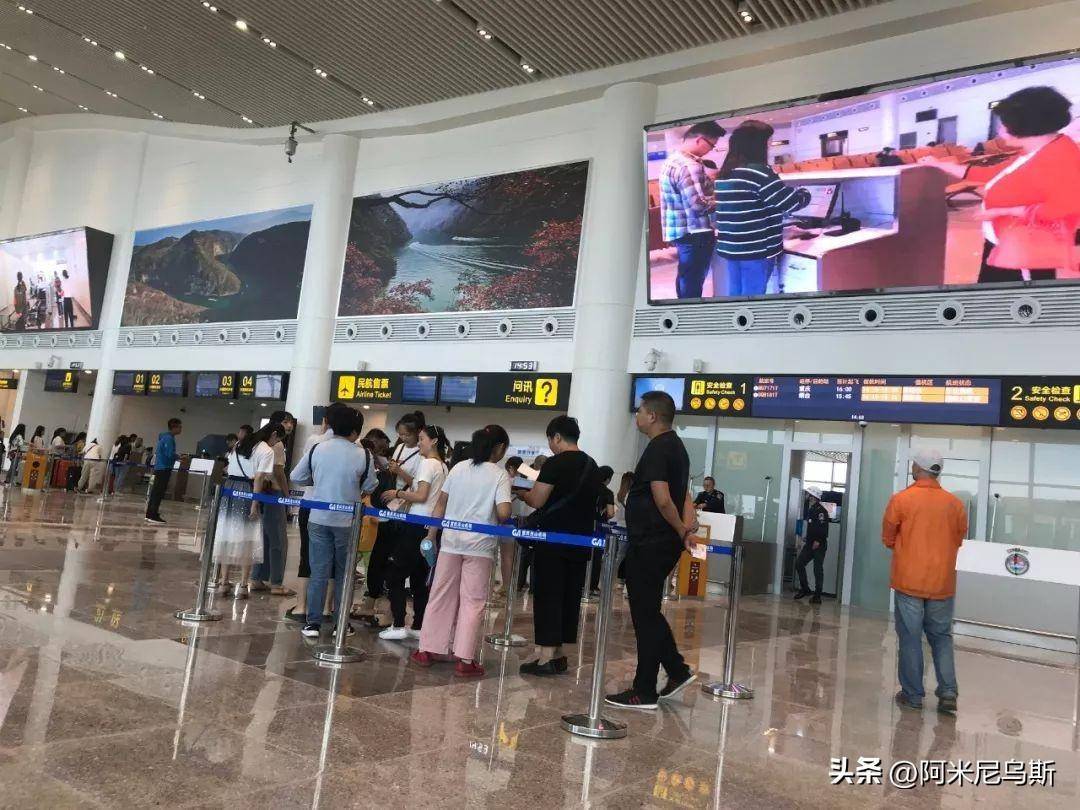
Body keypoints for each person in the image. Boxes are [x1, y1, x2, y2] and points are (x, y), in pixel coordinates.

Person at [606, 391, 698, 710]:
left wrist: (681, 529)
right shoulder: (676, 447)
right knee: (648, 612)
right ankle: (675, 671)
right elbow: (683, 494)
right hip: (658, 541)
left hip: (651, 542)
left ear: (653, 416)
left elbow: (663, 497)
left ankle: (645, 689)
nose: (637, 416)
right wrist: (683, 528)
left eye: (640, 411)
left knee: (645, 615)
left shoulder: (659, 447)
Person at [412, 425, 512, 678]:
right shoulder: (499, 475)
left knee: (440, 594)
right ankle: (465, 659)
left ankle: (427, 649)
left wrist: (431, 535)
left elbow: (441, 504)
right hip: (480, 547)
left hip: (450, 542)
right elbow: (503, 513)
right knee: (473, 601)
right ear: (499, 448)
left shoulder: (458, 468)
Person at [883, 449, 967, 714]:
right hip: (942, 582)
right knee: (941, 637)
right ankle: (948, 692)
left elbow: (888, 538)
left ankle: (913, 695)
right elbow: (958, 539)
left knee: (910, 638)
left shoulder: (901, 500)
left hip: (909, 581)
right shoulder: (955, 504)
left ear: (918, 468)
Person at [518, 416, 602, 676]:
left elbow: (537, 500)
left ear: (556, 437)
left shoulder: (555, 463)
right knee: (569, 596)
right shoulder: (592, 465)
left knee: (548, 595)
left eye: (550, 440)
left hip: (552, 541)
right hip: (580, 542)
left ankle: (546, 656)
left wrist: (522, 492)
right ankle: (559, 652)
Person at [290, 404, 377, 638]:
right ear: (355, 431)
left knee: (318, 572)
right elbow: (370, 485)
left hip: (318, 518)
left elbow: (296, 476)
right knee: (344, 574)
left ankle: (313, 623)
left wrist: (318, 481)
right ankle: (341, 623)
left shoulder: (318, 448)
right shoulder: (363, 454)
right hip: (348, 522)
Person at [714, 120, 812, 297]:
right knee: (753, 296)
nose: (770, 145)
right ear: (757, 144)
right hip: (755, 248)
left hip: (732, 246)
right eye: (768, 141)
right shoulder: (759, 172)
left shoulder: (725, 173)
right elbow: (789, 202)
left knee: (736, 292)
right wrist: (805, 193)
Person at [380, 424, 450, 641]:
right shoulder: (443, 466)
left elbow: (421, 495)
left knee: (394, 575)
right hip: (431, 527)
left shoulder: (428, 463)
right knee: (419, 579)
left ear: (434, 441)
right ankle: (419, 625)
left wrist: (397, 493)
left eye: (421, 439)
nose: (418, 443)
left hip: (416, 525)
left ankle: (399, 623)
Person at [355, 411, 426, 626]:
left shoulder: (424, 455)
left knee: (395, 564)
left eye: (407, 435)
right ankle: (370, 602)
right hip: (388, 507)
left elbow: (421, 486)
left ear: (418, 433)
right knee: (378, 557)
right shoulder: (400, 447)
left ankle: (392, 612)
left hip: (405, 511)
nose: (403, 438)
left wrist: (400, 472)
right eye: (400, 434)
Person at [284, 406, 343, 623]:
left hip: (311, 503)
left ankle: (302, 607)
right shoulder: (356, 447)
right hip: (340, 509)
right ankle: (327, 608)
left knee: (308, 555)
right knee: (334, 559)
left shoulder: (315, 441)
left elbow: (299, 475)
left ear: (326, 421)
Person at [659, 120, 726, 298]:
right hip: (696, 232)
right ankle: (690, 311)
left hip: (680, 231)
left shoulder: (671, 161)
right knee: (693, 281)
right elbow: (697, 205)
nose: (711, 150)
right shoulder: (690, 166)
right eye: (711, 145)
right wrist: (721, 199)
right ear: (700, 140)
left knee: (685, 276)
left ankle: (682, 308)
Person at [211, 425, 267, 600]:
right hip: (247, 489)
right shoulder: (261, 449)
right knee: (247, 538)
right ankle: (243, 585)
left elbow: (227, 469)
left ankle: (224, 582)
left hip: (229, 488)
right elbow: (259, 478)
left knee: (226, 536)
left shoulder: (236, 447)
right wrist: (255, 503)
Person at [248, 422, 292, 596]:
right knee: (278, 540)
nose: (290, 425)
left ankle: (257, 577)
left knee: (264, 537)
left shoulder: (255, 443)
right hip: (273, 492)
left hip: (260, 492)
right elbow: (279, 472)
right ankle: (276, 583)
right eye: (286, 421)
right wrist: (287, 495)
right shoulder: (276, 445)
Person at [516, 454, 548, 593]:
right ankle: (534, 587)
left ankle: (519, 583)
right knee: (536, 554)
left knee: (523, 553)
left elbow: (518, 493)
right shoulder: (546, 478)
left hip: (525, 517)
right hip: (539, 518)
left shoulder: (526, 475)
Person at [794, 485, 830, 604]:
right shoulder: (811, 509)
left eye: (809, 494)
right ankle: (805, 589)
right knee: (799, 563)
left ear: (813, 496)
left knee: (817, 569)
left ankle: (817, 596)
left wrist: (817, 540)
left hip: (819, 545)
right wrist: (808, 538)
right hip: (810, 543)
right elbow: (813, 527)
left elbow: (823, 529)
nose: (807, 496)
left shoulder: (821, 511)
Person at [496, 455, 525, 597]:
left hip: (502, 523)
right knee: (508, 557)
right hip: (509, 523)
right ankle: (508, 585)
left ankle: (506, 586)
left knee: (505, 557)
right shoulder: (516, 482)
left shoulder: (503, 479)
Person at [145, 418, 181, 525]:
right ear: (174, 427)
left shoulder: (164, 438)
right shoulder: (169, 439)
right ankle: (153, 515)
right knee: (158, 492)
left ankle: (150, 513)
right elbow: (169, 454)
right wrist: (178, 457)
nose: (181, 429)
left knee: (155, 492)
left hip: (160, 468)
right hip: (164, 468)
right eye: (180, 427)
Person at [588, 465, 617, 594]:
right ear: (608, 479)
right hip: (599, 528)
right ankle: (592, 586)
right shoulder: (608, 493)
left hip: (585, 525)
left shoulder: (588, 488)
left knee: (584, 554)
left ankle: (581, 584)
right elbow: (610, 513)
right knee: (596, 557)